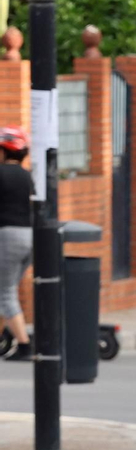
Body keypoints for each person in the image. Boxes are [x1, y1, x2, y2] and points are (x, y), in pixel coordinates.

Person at [0, 127, 32, 361]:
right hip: (29, 237)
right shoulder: (27, 175)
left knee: (4, 291)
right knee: (5, 288)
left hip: (8, 237)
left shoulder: (1, 173)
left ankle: (24, 345)